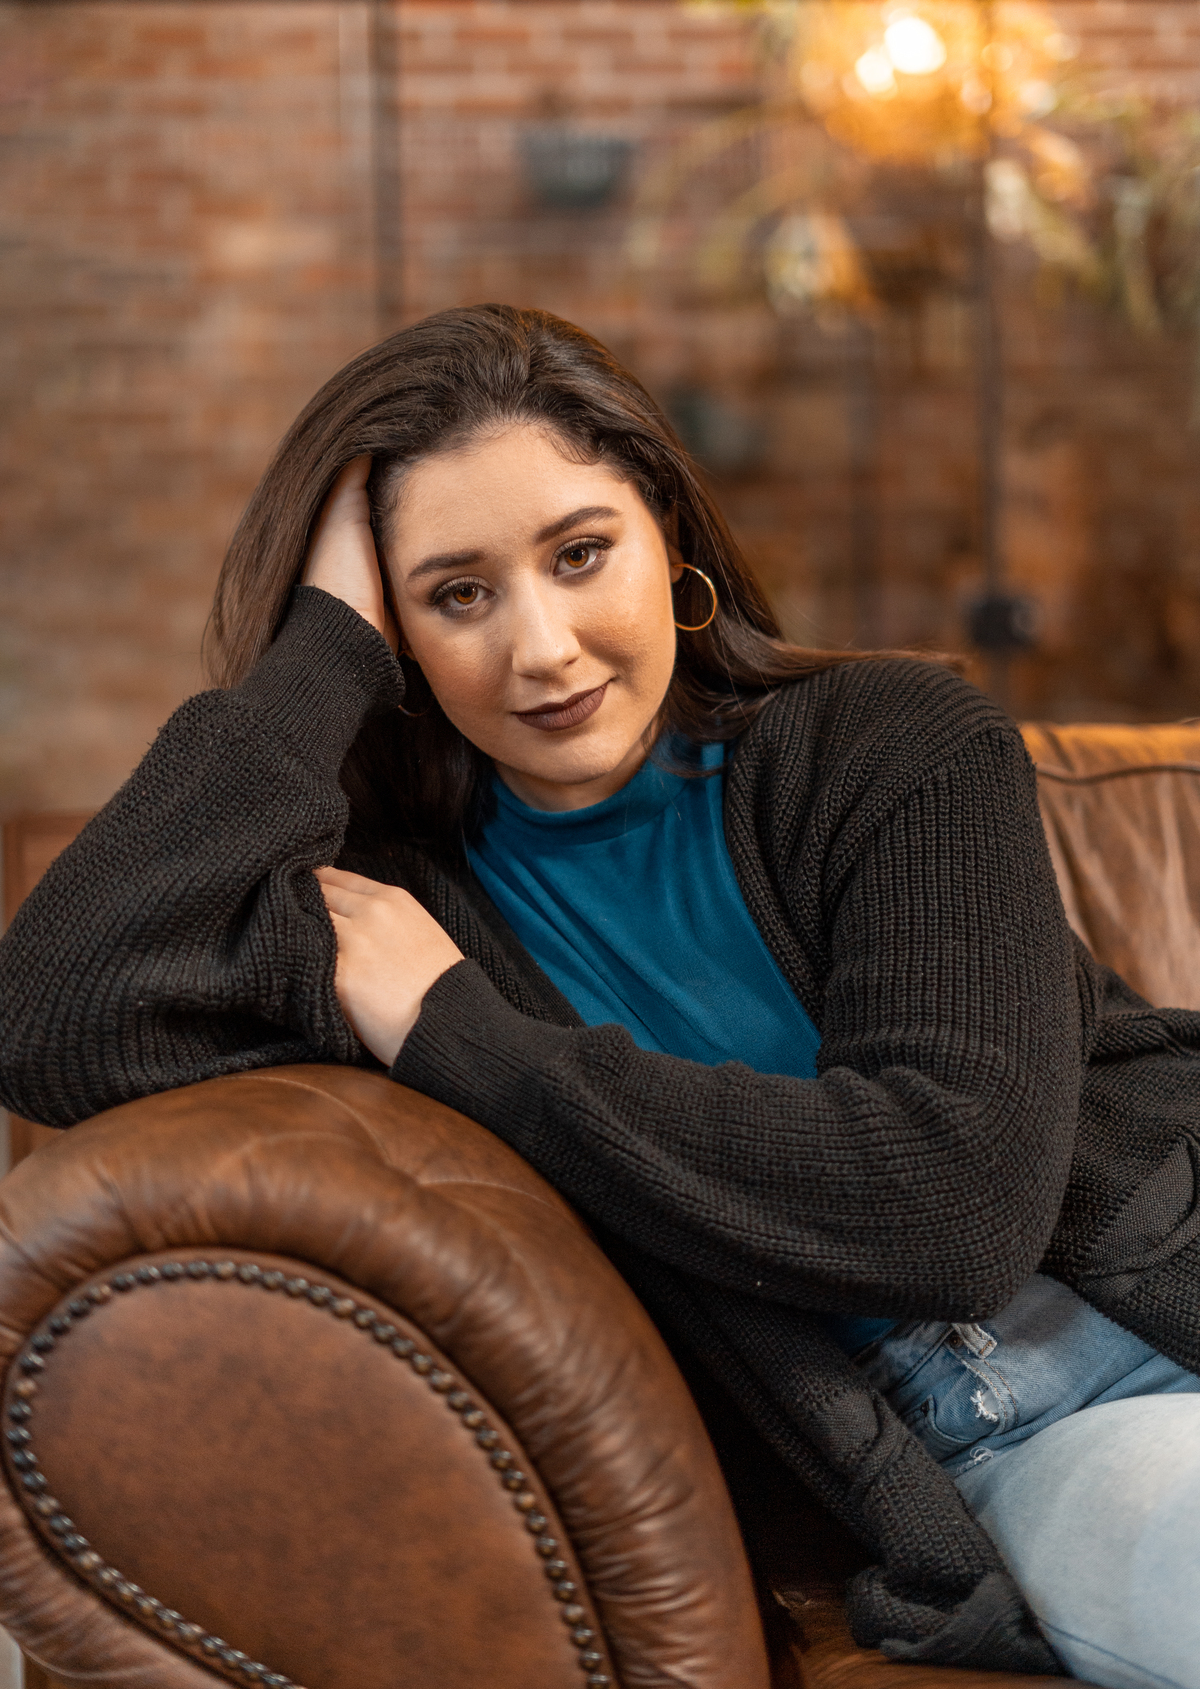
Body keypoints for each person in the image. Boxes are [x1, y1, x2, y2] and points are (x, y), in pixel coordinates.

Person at [2, 305, 1199, 1689]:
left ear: (669, 539)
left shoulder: (892, 747)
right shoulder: (393, 915)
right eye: (457, 594)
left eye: (581, 556)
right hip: (1018, 1437)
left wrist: (463, 1042)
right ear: (399, 641)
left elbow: (949, 1197)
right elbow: (53, 1015)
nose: (545, 649)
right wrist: (320, 646)